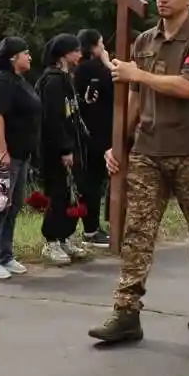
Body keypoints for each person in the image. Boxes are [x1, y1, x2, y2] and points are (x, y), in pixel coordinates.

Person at [88, 0, 189, 344]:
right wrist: (120, 144)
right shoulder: (144, 42)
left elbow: (186, 86)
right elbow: (135, 97)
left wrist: (138, 75)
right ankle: (126, 311)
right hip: (149, 151)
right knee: (137, 232)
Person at [0, 36, 40, 280]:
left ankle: (4, 254)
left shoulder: (19, 81)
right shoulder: (0, 81)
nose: (30, 56)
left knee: (13, 204)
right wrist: (2, 151)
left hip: (20, 155)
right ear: (13, 56)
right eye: (26, 52)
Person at [37, 33, 90, 265]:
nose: (80, 54)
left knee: (74, 194)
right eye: (76, 50)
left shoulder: (68, 78)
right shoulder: (52, 81)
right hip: (57, 150)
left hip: (74, 145)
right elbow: (53, 119)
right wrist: (64, 149)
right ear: (63, 54)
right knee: (59, 194)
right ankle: (51, 241)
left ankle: (66, 236)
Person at [74, 29, 112, 246]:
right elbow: (114, 78)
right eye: (100, 44)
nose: (103, 48)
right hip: (94, 132)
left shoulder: (85, 68)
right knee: (93, 182)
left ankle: (94, 226)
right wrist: (107, 62)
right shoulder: (89, 68)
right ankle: (91, 229)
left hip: (96, 131)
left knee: (96, 182)